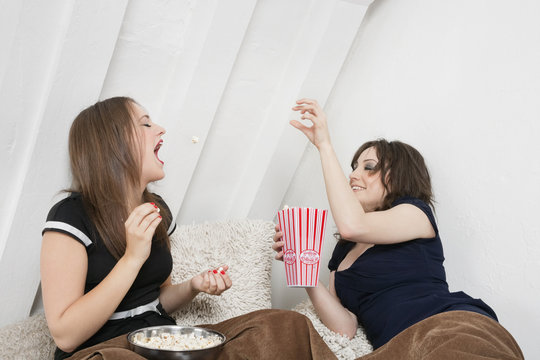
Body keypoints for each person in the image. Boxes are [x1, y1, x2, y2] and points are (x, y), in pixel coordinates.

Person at [40, 97, 336, 360]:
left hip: (160, 343)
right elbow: (66, 335)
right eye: (145, 124)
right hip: (103, 352)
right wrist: (132, 258)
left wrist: (192, 287)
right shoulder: (71, 215)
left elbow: (155, 301)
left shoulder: (157, 209)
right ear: (112, 144)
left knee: (284, 325)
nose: (160, 129)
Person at [272, 98, 524, 359]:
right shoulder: (343, 252)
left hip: (447, 327)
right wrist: (304, 270)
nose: (354, 175)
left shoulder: (415, 213)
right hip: (394, 349)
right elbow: (345, 327)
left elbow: (352, 224)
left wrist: (324, 146)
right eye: (354, 167)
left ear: (398, 177)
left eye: (369, 167)